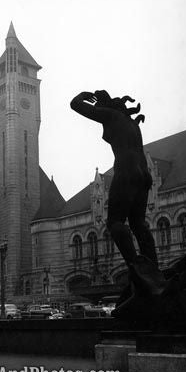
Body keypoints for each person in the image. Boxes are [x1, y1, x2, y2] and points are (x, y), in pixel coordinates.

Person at [70, 90, 158, 267]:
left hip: (126, 170)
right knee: (138, 224)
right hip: (143, 175)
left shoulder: (110, 115)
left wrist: (82, 96)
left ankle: (136, 267)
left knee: (114, 223)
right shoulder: (131, 122)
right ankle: (153, 269)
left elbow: (75, 105)